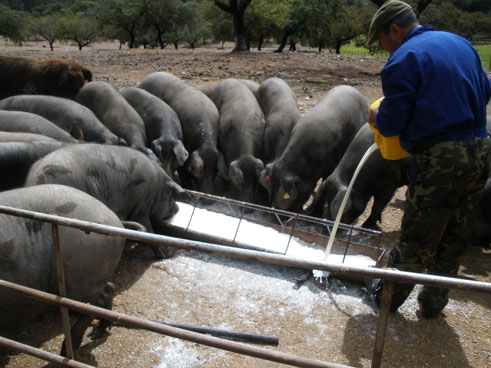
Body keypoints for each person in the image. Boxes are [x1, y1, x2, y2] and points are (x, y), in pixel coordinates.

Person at [366, 0, 491, 318]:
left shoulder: (403, 60)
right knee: (457, 231)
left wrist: (376, 115)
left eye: (381, 41)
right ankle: (433, 303)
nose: (383, 49)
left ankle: (386, 300)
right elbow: (485, 90)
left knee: (418, 233)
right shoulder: (461, 43)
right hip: (481, 147)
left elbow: (392, 123)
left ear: (395, 31)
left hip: (442, 157)